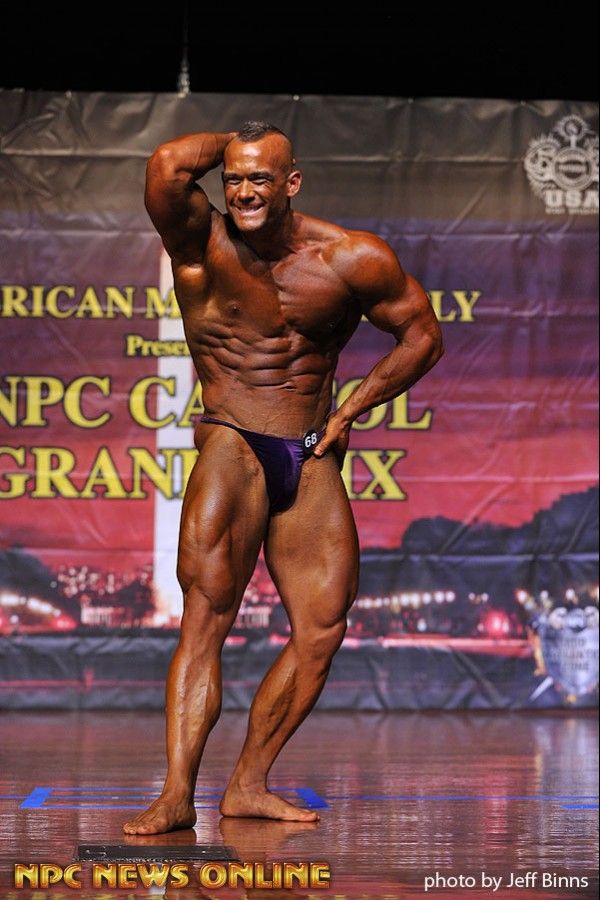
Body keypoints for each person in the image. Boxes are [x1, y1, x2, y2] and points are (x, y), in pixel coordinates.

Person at [123, 121, 443, 834]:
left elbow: (423, 336)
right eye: (234, 179)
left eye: (260, 178)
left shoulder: (350, 257)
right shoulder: (199, 243)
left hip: (310, 447)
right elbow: (168, 164)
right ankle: (176, 793)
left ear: (292, 183)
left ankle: (248, 783)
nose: (242, 192)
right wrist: (243, 140)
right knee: (206, 617)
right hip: (233, 439)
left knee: (322, 628)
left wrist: (351, 408)